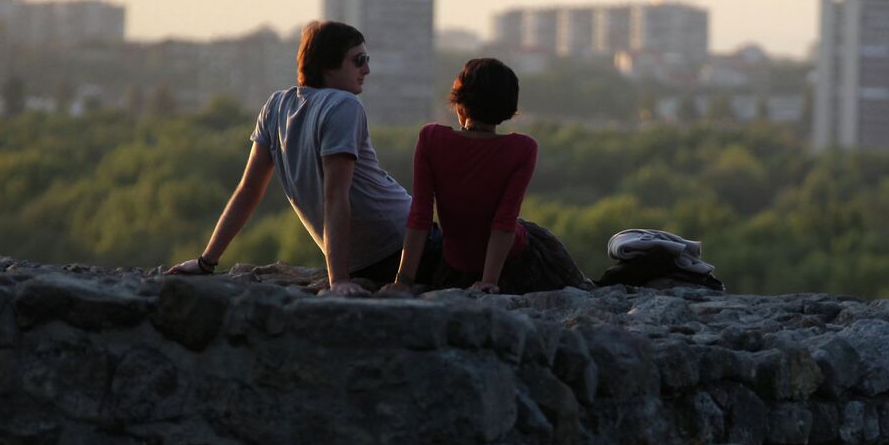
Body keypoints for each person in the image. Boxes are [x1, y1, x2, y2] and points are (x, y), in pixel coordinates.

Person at [166, 21, 435, 294]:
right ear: (328, 65)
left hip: (370, 259)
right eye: (359, 60)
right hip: (406, 246)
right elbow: (335, 197)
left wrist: (206, 262)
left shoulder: (276, 106)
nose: (366, 69)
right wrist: (339, 280)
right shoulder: (344, 105)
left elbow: (248, 190)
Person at [387, 57, 587, 295]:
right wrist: (489, 282)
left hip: (454, 266)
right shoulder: (522, 148)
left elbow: (420, 216)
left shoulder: (431, 139)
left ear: (460, 103)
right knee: (535, 234)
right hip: (512, 264)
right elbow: (503, 223)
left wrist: (403, 281)